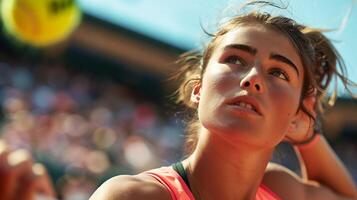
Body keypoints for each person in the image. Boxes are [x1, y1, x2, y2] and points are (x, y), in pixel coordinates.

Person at [95, 1, 357, 200]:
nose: (253, 78)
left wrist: (308, 137)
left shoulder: (278, 188)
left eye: (278, 72)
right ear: (198, 89)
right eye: (235, 59)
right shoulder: (133, 195)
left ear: (296, 115)